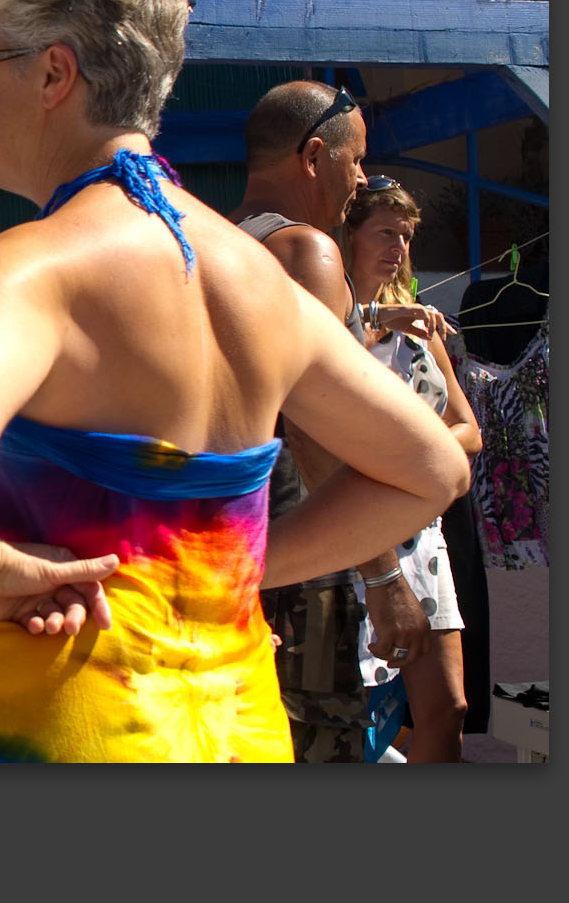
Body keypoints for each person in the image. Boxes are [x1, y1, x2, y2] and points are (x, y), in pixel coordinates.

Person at [0, 0, 470, 762]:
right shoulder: (256, 277)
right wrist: (244, 567)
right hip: (236, 729)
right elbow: (431, 471)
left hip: (70, 727)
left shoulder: (39, 266)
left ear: (54, 73)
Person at [231, 79, 455, 762]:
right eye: (355, 160)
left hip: (231, 544)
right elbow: (320, 428)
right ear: (313, 157)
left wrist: (375, 317)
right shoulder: (307, 252)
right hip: (305, 561)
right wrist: (384, 579)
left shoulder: (221, 244)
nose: (361, 178)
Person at [340, 178, 479, 760]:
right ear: (349, 237)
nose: (397, 247)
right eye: (385, 232)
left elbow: (468, 430)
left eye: (406, 236)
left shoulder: (422, 330)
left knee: (448, 710)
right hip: (351, 538)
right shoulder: (334, 319)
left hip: (424, 537)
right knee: (353, 716)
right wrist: (378, 318)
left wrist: (423, 459)